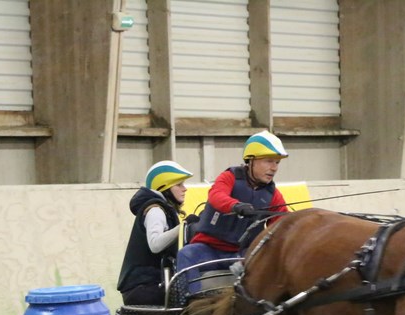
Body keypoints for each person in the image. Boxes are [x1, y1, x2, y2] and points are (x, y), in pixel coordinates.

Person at [176, 130, 290, 293]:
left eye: (277, 162)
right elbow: (216, 196)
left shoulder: (274, 195)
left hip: (243, 255)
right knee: (186, 254)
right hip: (210, 250)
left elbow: (283, 224)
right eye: (269, 161)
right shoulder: (229, 177)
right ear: (251, 160)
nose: (274, 168)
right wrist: (236, 206)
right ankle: (188, 302)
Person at [117, 160, 194, 305]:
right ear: (164, 187)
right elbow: (155, 245)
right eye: (179, 185)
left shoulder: (164, 209)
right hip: (142, 287)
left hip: (149, 284)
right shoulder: (155, 210)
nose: (184, 189)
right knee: (191, 300)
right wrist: (183, 227)